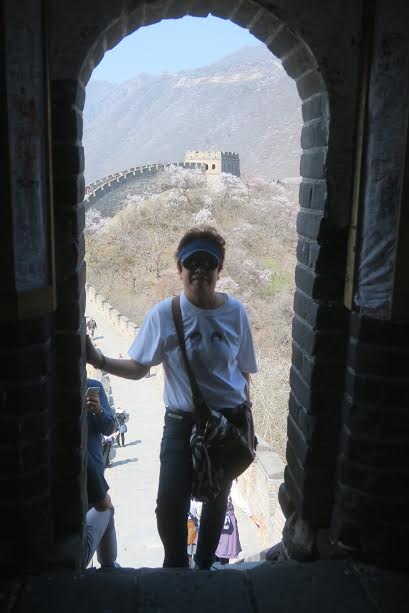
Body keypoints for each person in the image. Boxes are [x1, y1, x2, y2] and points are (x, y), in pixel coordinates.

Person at [86, 226, 257, 569]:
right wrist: (99, 360)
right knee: (169, 504)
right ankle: (176, 567)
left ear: (219, 270)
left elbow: (244, 372)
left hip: (227, 421)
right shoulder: (165, 315)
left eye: (208, 263)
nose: (200, 270)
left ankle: (205, 567)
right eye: (191, 262)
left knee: (217, 497)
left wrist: (244, 422)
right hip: (182, 422)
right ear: (179, 269)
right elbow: (139, 367)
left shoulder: (235, 313)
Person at [85, 379, 118, 567]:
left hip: (95, 471)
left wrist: (98, 410)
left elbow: (109, 427)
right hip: (87, 472)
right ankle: (108, 566)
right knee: (106, 508)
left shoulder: (92, 386)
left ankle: (108, 563)